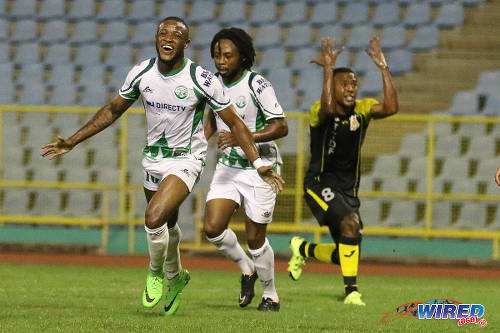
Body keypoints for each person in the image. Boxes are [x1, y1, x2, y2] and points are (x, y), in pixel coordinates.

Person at [41, 17, 284, 315]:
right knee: (167, 224)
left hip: (186, 160)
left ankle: (156, 272)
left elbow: (235, 123)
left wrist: (259, 162)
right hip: (153, 160)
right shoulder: (141, 73)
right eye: (162, 33)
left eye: (176, 34)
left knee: (153, 216)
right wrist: (74, 140)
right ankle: (176, 275)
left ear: (185, 43)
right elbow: (113, 110)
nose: (168, 38)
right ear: (156, 39)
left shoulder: (201, 79)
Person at [287, 37, 399, 306]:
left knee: (347, 249)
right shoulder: (319, 111)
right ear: (333, 87)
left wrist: (384, 68)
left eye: (354, 84)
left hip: (348, 190)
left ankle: (302, 248)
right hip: (319, 183)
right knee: (350, 224)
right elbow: (327, 108)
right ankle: (351, 293)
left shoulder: (362, 110)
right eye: (344, 84)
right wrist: (328, 69)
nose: (351, 88)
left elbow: (391, 108)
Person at [203, 27, 287, 312]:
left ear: (243, 58)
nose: (221, 61)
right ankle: (247, 269)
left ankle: (271, 294)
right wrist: (196, 147)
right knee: (213, 229)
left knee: (254, 239)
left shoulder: (257, 85)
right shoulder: (212, 82)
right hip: (229, 166)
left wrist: (244, 135)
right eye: (217, 55)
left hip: (260, 168)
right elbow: (212, 122)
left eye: (228, 55)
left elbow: (281, 126)